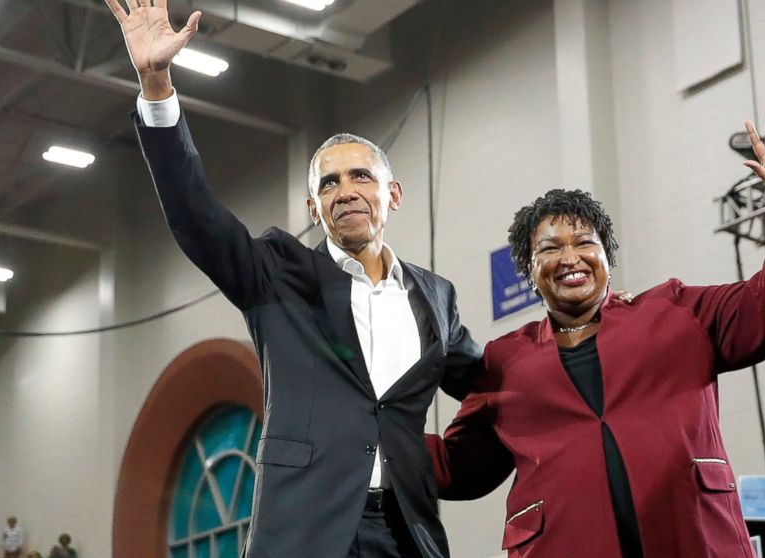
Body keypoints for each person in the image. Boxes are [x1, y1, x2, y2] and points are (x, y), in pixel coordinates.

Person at [103, 1, 482, 556]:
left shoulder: (436, 297)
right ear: (313, 207)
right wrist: (157, 83)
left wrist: (588, 325)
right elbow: (196, 215)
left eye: (360, 177)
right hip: (303, 534)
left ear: (392, 195)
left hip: (406, 535)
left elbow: (494, 383)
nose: (345, 190)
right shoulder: (277, 273)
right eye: (328, 184)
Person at [428, 110, 765, 557]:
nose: (570, 257)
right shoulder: (504, 361)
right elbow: (458, 467)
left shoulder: (675, 309)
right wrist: (358, 437)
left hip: (696, 540)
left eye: (585, 243)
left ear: (607, 257)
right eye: (550, 249)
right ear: (529, 272)